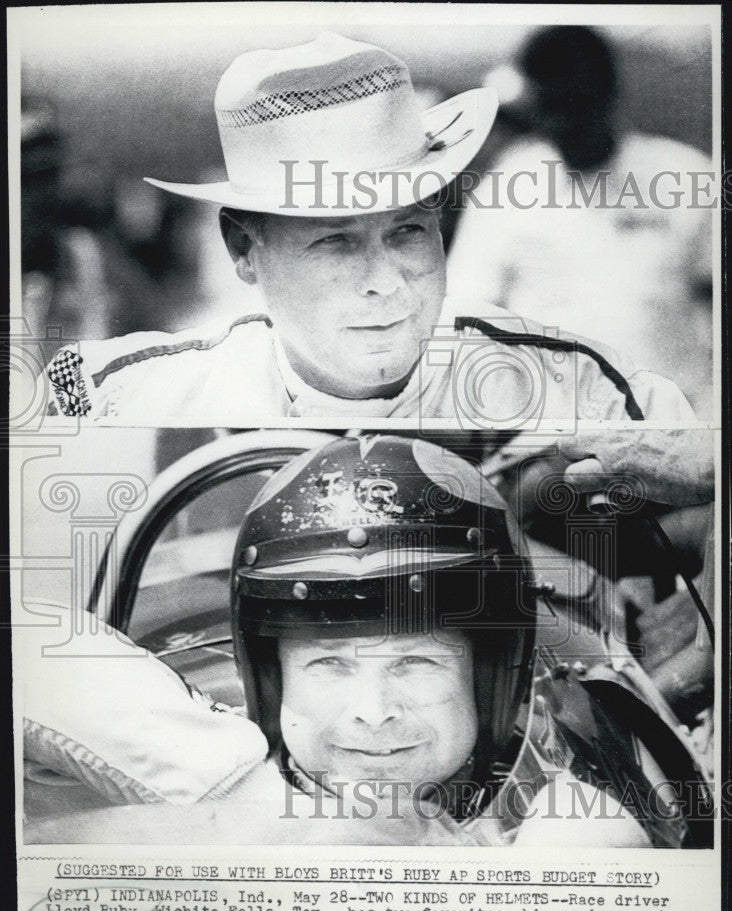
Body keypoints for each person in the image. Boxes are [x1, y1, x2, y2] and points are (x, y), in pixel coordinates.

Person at [24, 435, 711, 846]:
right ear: (272, 678)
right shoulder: (206, 755)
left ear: (488, 675)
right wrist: (243, 804)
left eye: (415, 662)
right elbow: (28, 636)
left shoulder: (579, 812)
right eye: (328, 663)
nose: (373, 710)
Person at [41, 32, 695, 425]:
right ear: (244, 248)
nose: (387, 283)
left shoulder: (579, 389)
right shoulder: (121, 397)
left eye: (409, 231)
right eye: (335, 240)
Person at [447, 26, 714, 418]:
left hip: (673, 423)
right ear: (535, 105)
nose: (565, 125)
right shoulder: (505, 187)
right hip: (548, 433)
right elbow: (467, 314)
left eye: (579, 107)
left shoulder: (684, 176)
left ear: (610, 96)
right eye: (552, 109)